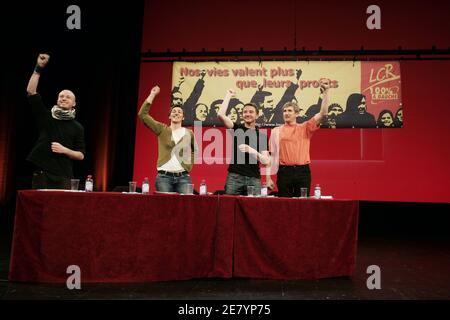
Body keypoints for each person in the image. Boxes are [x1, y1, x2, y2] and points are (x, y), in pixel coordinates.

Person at [26, 54, 85, 189]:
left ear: (74, 103)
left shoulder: (77, 127)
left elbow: (80, 155)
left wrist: (65, 150)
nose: (63, 98)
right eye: (61, 96)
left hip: (64, 175)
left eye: (68, 97)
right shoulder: (47, 117)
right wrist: (38, 68)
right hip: (42, 172)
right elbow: (31, 92)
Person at [267, 79, 330, 197]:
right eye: (284, 111)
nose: (286, 113)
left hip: (302, 172)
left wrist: (326, 91)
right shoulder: (276, 131)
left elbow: (323, 113)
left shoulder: (305, 127)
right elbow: (271, 156)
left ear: (297, 114)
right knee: (284, 204)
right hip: (284, 172)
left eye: (290, 111)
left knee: (302, 205)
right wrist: (268, 177)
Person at [138, 85, 196, 193]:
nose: (176, 113)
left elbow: (194, 150)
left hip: (183, 178)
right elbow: (143, 115)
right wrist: (152, 94)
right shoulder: (162, 129)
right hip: (164, 178)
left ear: (183, 117)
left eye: (179, 112)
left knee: (186, 208)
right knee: (165, 209)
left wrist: (188, 165)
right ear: (169, 116)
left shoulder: (189, 133)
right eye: (174, 111)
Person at [217, 89, 270, 195]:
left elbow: (266, 161)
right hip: (234, 177)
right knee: (229, 206)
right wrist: (228, 95)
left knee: (254, 209)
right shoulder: (237, 129)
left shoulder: (262, 136)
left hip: (254, 179)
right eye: (245, 112)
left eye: (251, 112)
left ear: (257, 115)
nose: (247, 114)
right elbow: (221, 115)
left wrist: (251, 151)